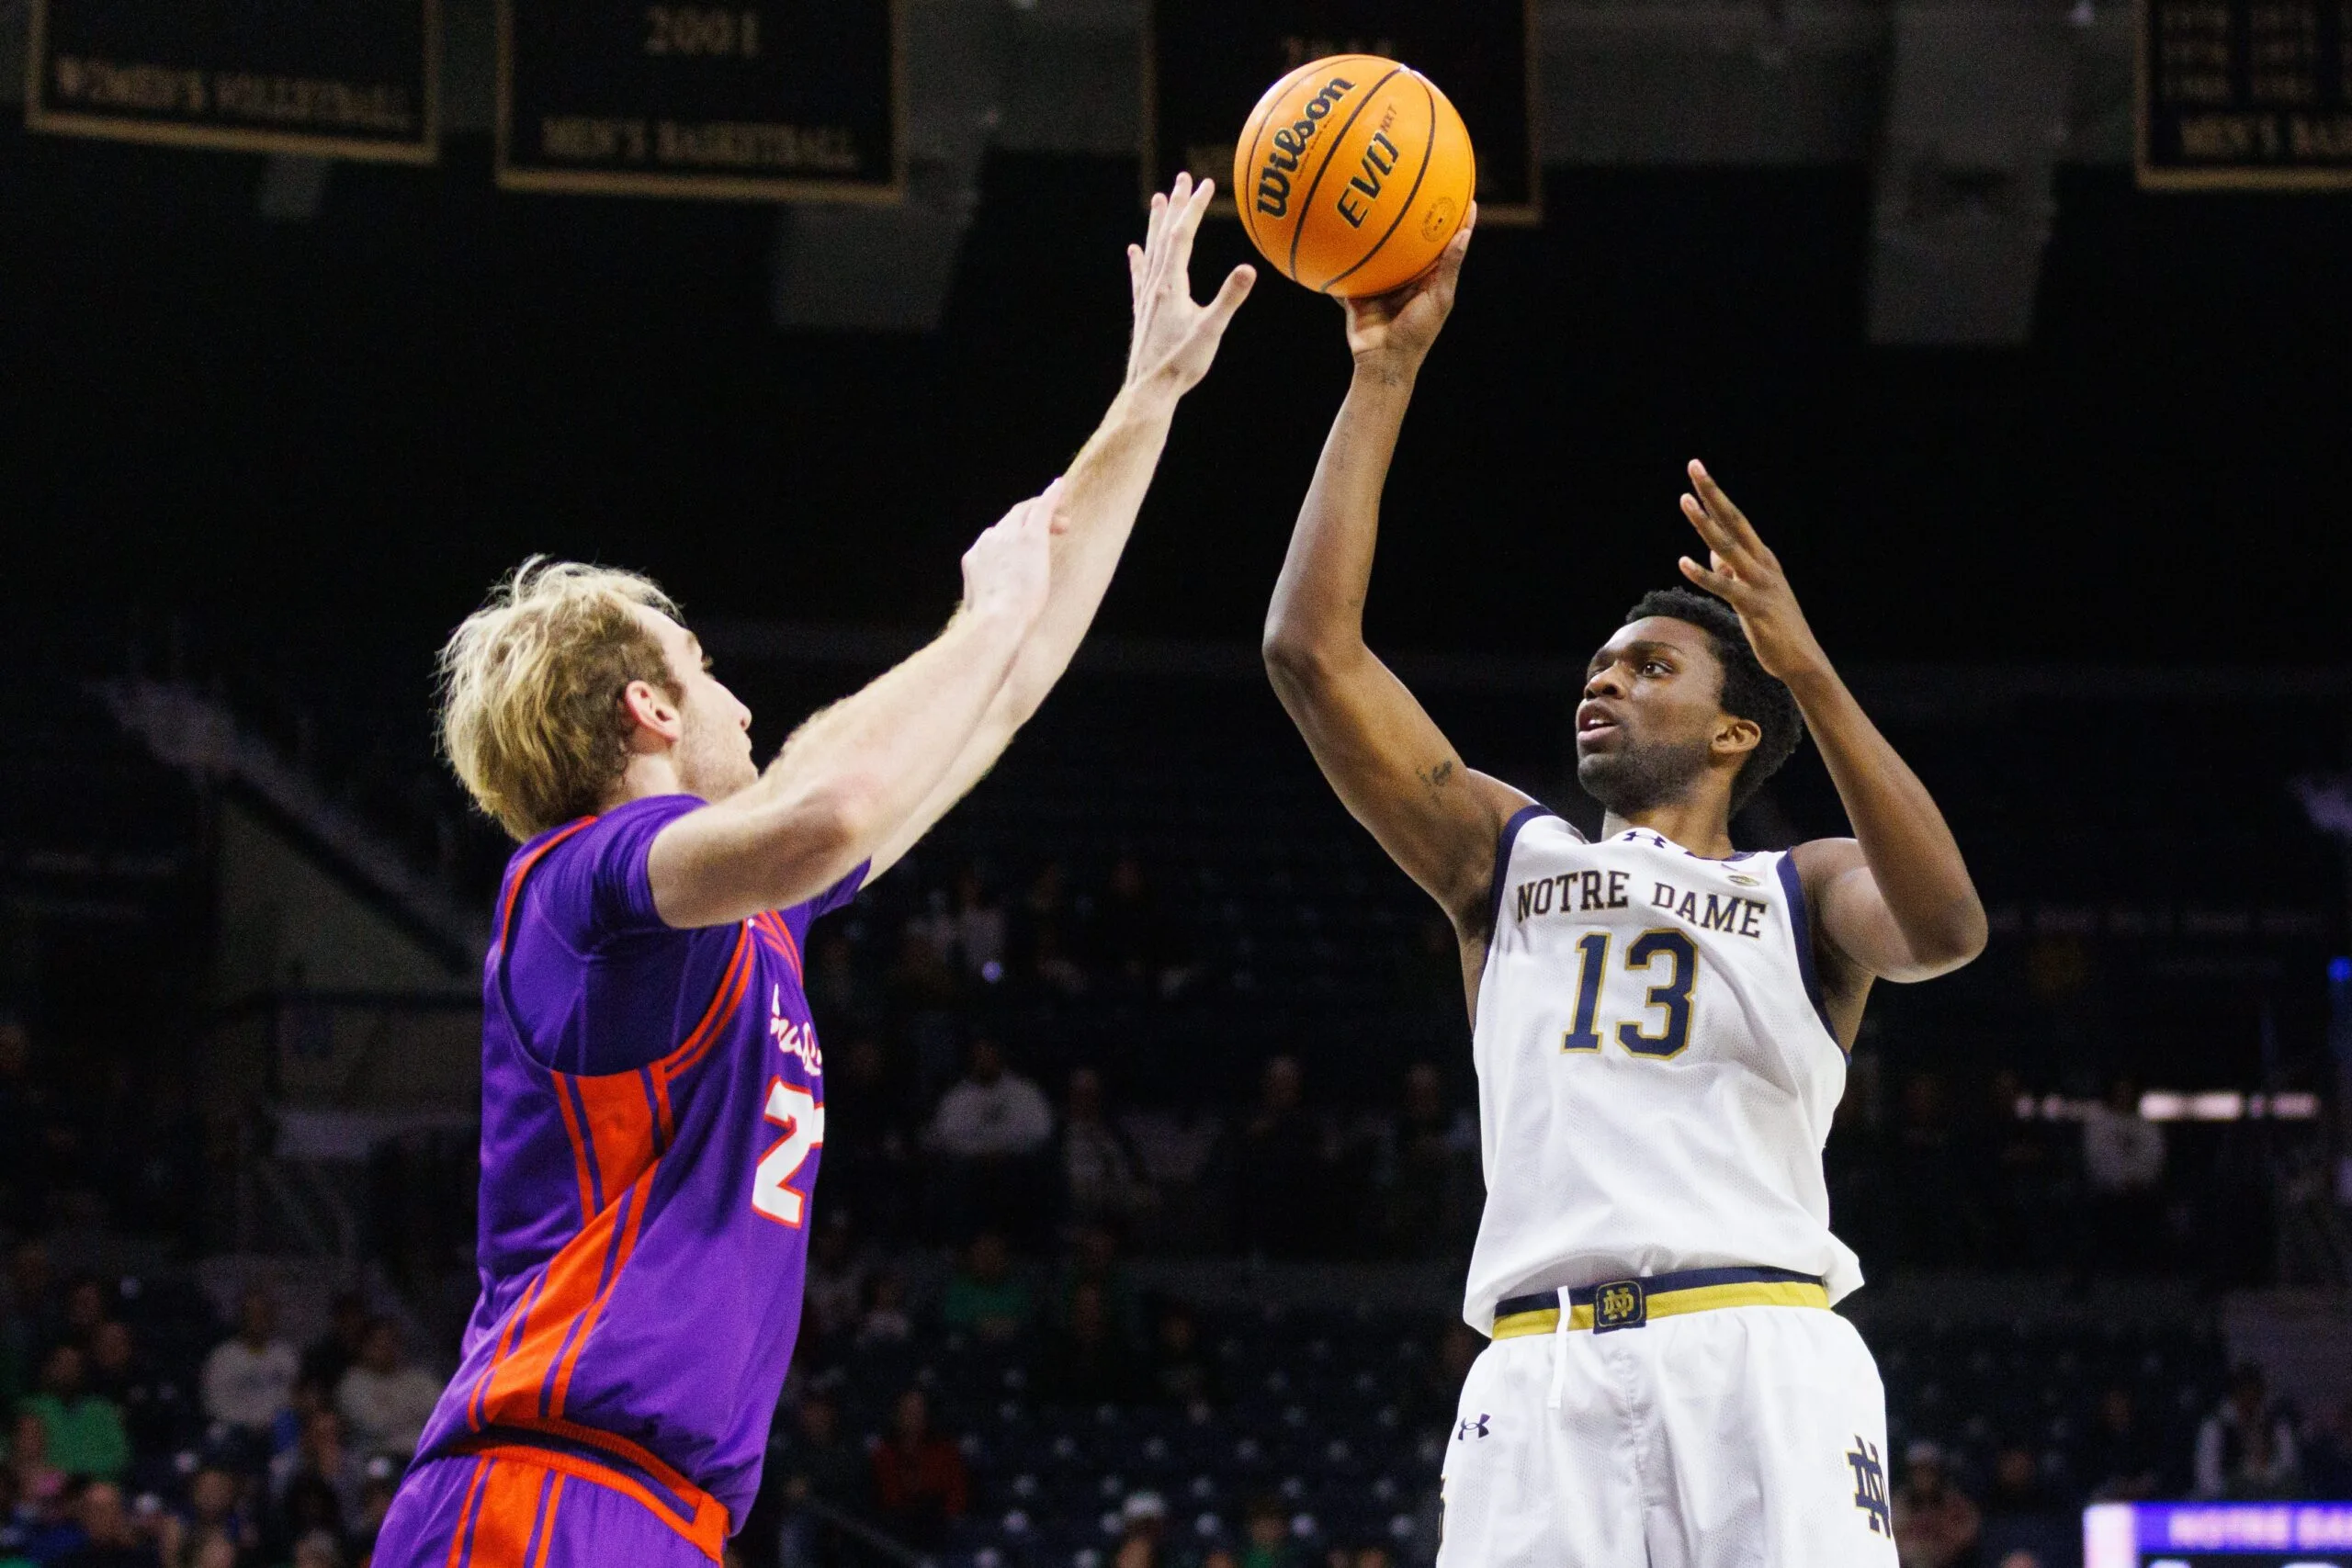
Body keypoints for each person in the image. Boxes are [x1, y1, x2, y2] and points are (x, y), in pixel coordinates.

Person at [367, 173, 1252, 1568]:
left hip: (654, 1511)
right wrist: (981, 614)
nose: (733, 696)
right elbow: (839, 797)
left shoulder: (736, 908)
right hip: (541, 1495)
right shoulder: (579, 889)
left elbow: (996, 690)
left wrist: (1148, 400)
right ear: (646, 711)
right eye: (703, 670)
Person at [1260, 207, 1986, 1567]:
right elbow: (1310, 651)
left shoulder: (1804, 888)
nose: (1605, 676)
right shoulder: (1506, 854)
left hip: (1760, 1345)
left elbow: (1947, 926)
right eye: (1600, 661)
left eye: (1651, 664)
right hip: (1537, 1370)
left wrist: (1810, 668)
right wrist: (1384, 373)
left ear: (1734, 732)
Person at [866, 1390, 967, 1550]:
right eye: (908, 1410)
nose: (914, 1416)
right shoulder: (883, 1454)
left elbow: (956, 1496)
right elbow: (887, 1500)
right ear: (897, 1414)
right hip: (897, 1528)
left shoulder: (946, 1450)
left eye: (918, 1410)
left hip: (940, 1526)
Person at [18, 1347, 129, 1483]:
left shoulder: (103, 1410)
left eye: (73, 1365)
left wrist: (75, 1474)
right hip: (43, 1486)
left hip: (94, 1487)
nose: (67, 1371)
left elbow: (120, 1457)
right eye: (61, 1364)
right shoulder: (30, 1409)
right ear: (48, 1369)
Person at [331, 1320, 438, 1460]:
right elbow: (375, 1425)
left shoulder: (418, 1378)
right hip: (379, 1457)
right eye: (378, 1344)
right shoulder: (352, 1384)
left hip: (423, 1453)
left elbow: (441, 1413)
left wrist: (396, 1412)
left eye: (390, 1343)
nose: (385, 1349)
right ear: (364, 1347)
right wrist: (414, 1410)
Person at [201, 1291, 298, 1443]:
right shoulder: (223, 1356)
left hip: (275, 1430)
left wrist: (268, 1422)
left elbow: (293, 1398)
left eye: (263, 1314)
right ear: (242, 1317)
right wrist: (250, 1424)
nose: (258, 1320)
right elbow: (214, 1405)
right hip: (237, 1430)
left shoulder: (286, 1354)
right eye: (252, 1314)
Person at [2193, 1361, 2300, 1498]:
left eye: (2254, 1395)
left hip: (2270, 1496)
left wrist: (2265, 1477)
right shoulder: (2215, 1426)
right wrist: (2239, 1487)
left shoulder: (2276, 1424)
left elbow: (2290, 1465)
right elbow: (2207, 1478)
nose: (2249, 1402)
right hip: (2228, 1500)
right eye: (2244, 1394)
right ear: (2235, 1394)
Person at [1890, 1442, 1980, 1568]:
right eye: (1918, 1470)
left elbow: (1968, 1532)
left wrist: (1939, 1535)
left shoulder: (1955, 1502)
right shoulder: (1898, 1502)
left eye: (1929, 1470)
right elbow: (1894, 1537)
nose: (1924, 1477)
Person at [940, 1233, 1031, 1346]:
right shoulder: (959, 1287)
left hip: (1013, 1348)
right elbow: (952, 1319)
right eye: (983, 1253)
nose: (989, 1260)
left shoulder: (1016, 1288)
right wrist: (979, 1325)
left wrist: (1007, 1326)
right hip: (970, 1348)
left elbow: (1026, 1320)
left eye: (994, 1253)